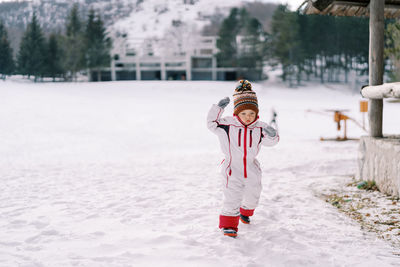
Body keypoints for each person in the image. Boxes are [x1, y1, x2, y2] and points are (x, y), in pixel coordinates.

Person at [207, 80, 279, 238]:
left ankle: (245, 211)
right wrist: (218, 108)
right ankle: (229, 225)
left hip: (252, 168)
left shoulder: (260, 127)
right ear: (236, 113)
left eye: (251, 113)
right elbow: (211, 123)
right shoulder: (227, 125)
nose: (248, 117)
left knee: (253, 195)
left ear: (257, 113)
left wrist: (273, 135)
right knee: (232, 197)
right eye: (244, 113)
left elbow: (270, 142)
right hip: (232, 169)